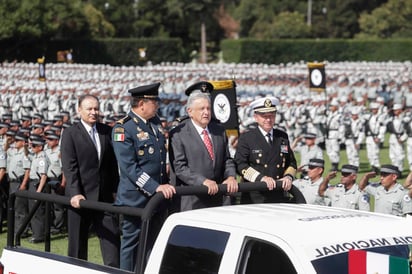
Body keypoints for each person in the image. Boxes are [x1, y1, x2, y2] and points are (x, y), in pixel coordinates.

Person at [112, 82, 176, 271]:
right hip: (135, 198)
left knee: (153, 243)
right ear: (142, 104)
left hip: (157, 198)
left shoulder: (154, 124)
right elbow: (129, 168)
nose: (157, 105)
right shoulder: (123, 129)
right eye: (154, 102)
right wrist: (154, 187)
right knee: (131, 245)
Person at [61, 94, 120, 267]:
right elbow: (70, 168)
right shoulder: (70, 134)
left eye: (96, 108)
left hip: (104, 198)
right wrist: (76, 193)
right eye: (89, 109)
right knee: (78, 248)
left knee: (112, 243)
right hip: (80, 199)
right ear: (79, 110)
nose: (93, 112)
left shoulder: (106, 131)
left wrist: (115, 192)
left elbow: (112, 165)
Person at [169, 81, 238, 211]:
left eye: (208, 108)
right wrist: (203, 181)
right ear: (190, 111)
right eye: (201, 109)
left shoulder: (219, 131)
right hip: (192, 199)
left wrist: (230, 177)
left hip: (217, 198)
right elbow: (180, 167)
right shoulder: (179, 134)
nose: (206, 112)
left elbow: (227, 160)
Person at [234, 96, 296, 203]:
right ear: (256, 117)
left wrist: (288, 177)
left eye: (271, 115)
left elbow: (291, 163)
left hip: (278, 194)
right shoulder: (247, 138)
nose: (268, 119)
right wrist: (261, 178)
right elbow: (240, 165)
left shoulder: (282, 136)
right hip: (254, 196)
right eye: (264, 116)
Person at [27, 137, 49, 243]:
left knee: (38, 211)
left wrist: (38, 191)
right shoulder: (36, 156)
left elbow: (43, 176)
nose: (32, 147)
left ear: (40, 147)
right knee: (33, 211)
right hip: (33, 184)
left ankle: (40, 235)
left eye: (34, 146)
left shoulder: (42, 159)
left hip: (37, 185)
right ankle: (36, 234)